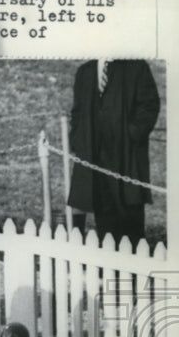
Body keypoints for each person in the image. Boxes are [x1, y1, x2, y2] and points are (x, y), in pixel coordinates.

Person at [67, 59, 160, 247]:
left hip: (126, 158)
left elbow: (149, 106)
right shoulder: (85, 71)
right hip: (94, 158)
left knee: (129, 217)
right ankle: (110, 270)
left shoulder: (136, 67)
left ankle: (131, 271)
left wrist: (132, 134)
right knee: (104, 215)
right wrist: (78, 140)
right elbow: (77, 112)